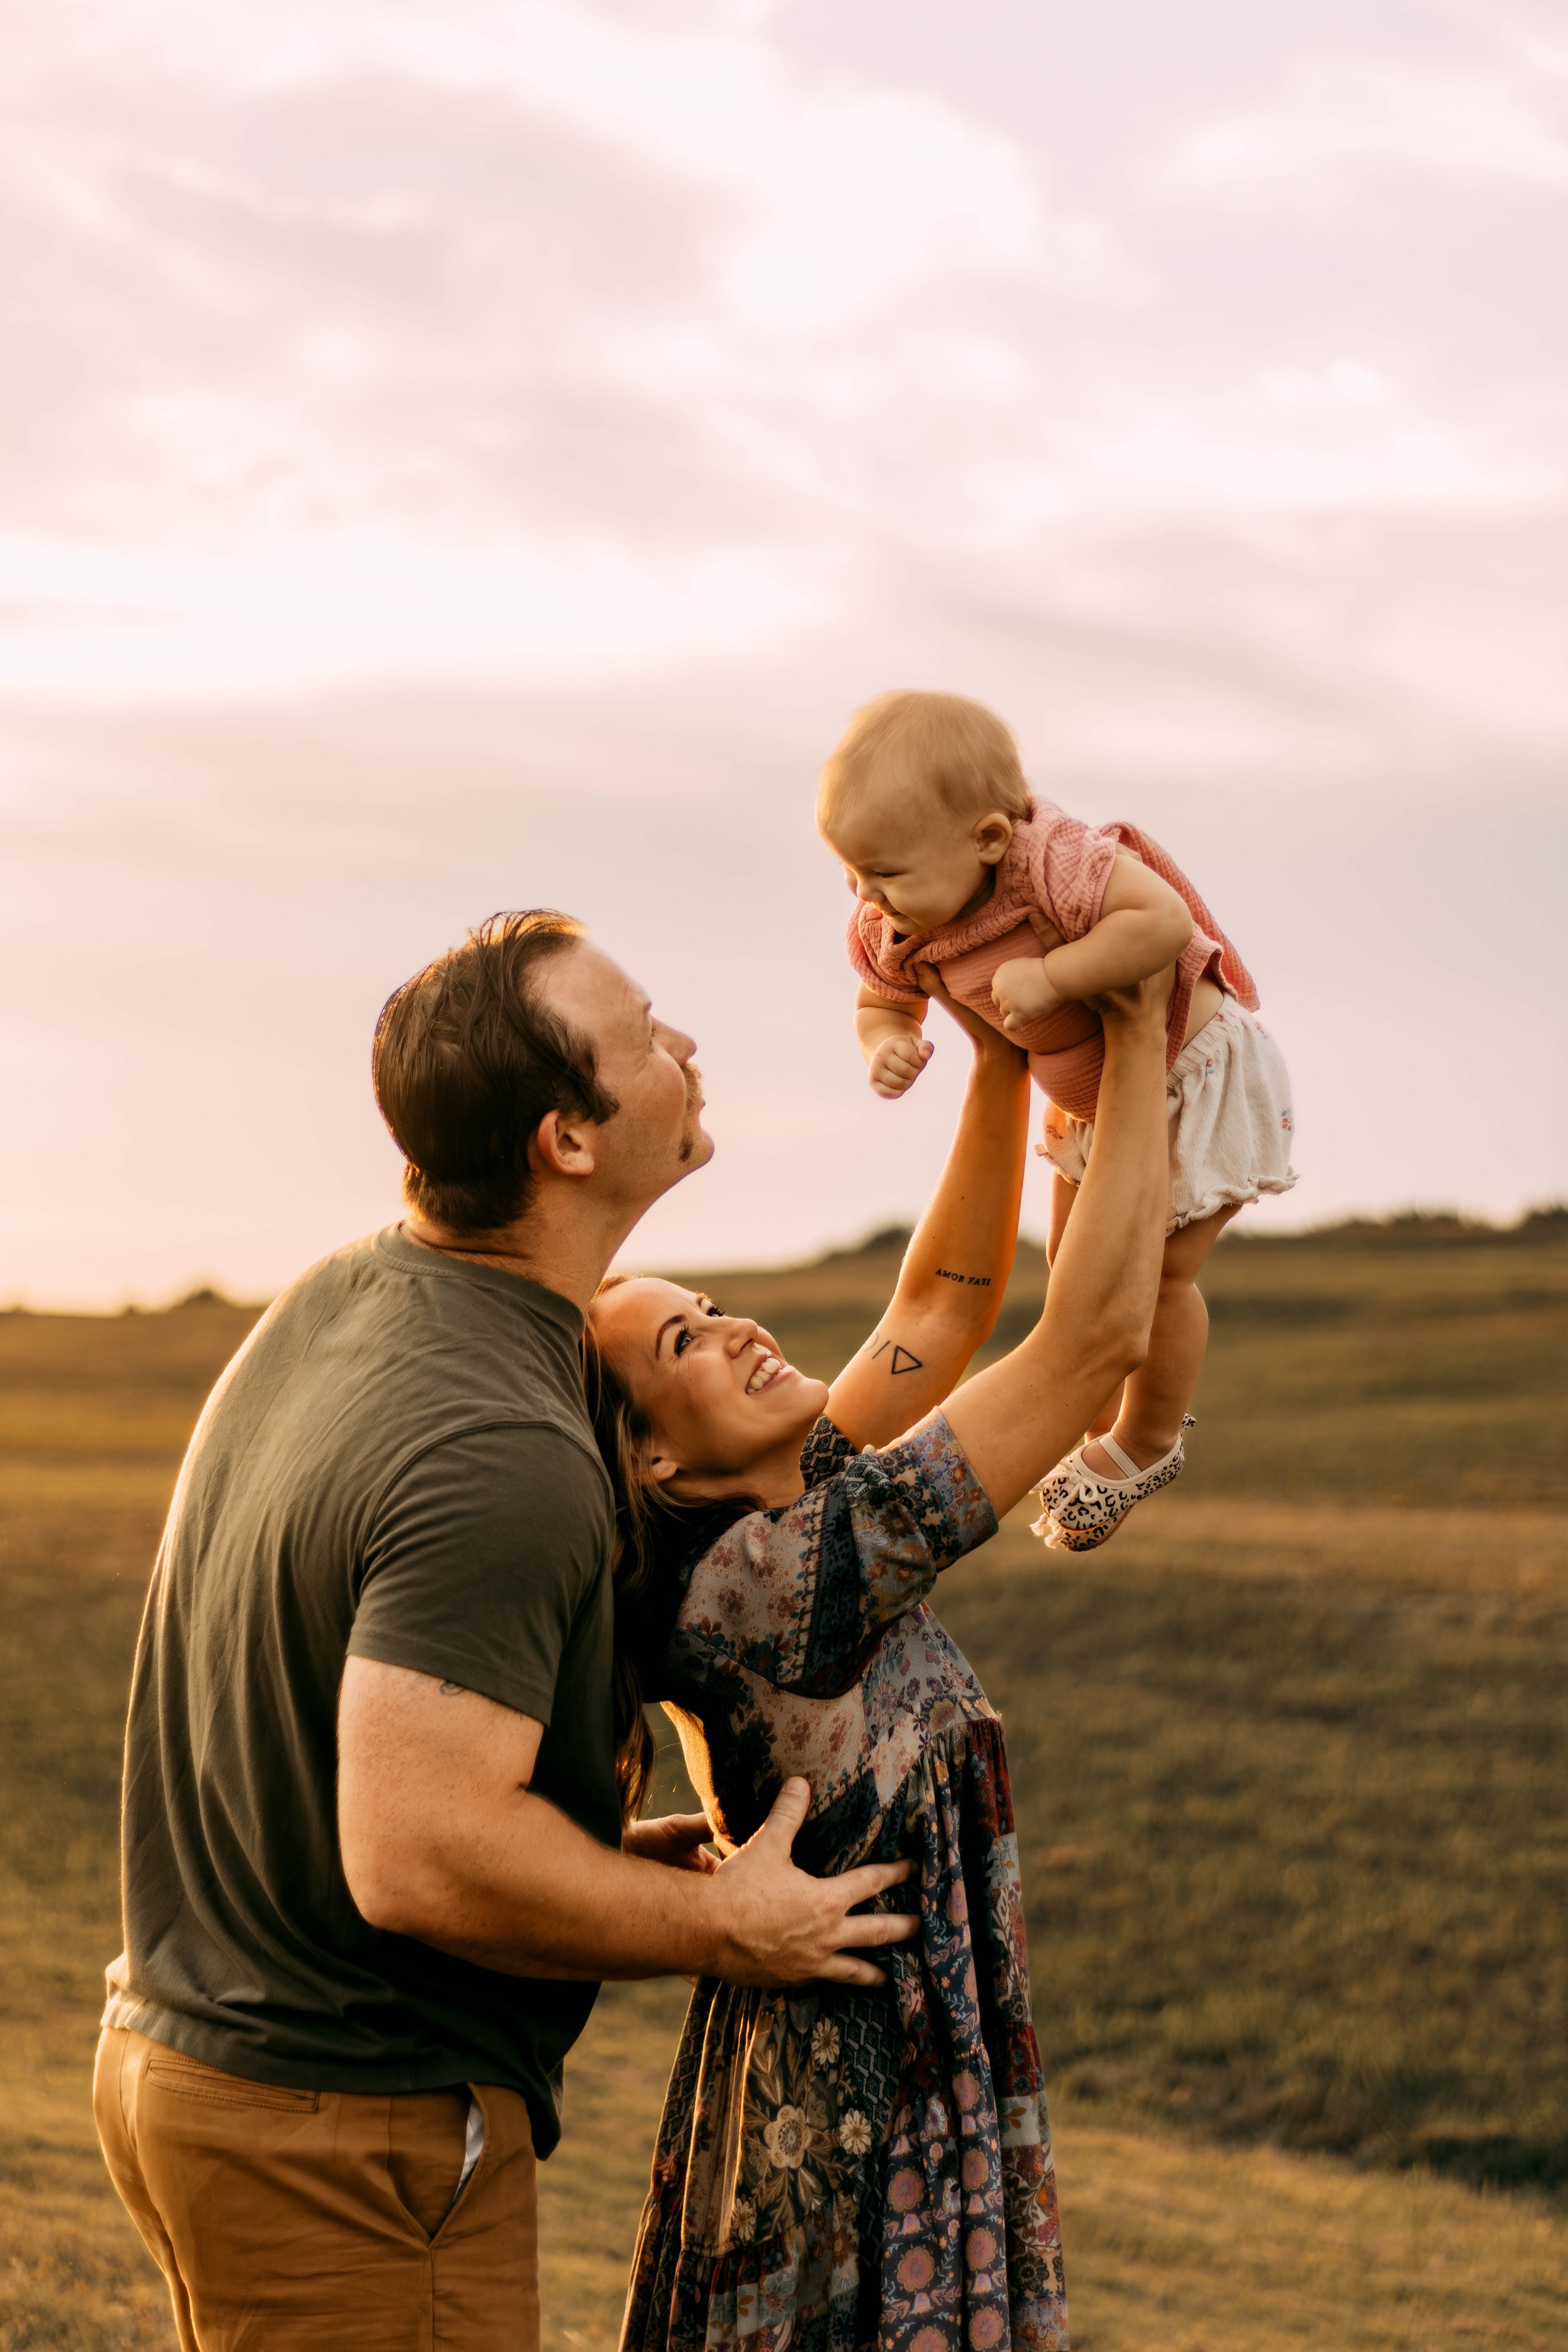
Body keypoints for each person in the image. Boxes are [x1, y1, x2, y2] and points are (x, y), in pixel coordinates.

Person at [93, 910, 919, 2352]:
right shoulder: (502, 1447)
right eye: (645, 1034)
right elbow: (415, 1852)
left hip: (203, 2070)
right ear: (570, 1141)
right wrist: (720, 1925)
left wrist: (583, 1865)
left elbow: (372, 1752)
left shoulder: (351, 1298)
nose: (686, 1048)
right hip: (345, 2133)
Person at [587, 965, 1173, 2352]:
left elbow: (939, 1308)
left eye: (712, 1303)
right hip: (851, 2110)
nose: (736, 1327)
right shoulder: (773, 1581)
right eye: (685, 1339)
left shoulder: (787, 1520)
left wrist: (994, 1063)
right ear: (653, 1456)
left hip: (898, 2063)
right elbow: (1089, 1344)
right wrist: (1138, 1036)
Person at [818, 687, 1296, 1554]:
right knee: (1077, 1267)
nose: (866, 895)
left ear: (989, 840)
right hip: (1098, 1103)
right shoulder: (897, 917)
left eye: (886, 874)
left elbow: (1162, 922)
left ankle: (1146, 1439)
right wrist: (883, 1039)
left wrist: (1059, 975)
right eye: (852, 872)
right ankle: (1103, 1415)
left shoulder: (1056, 865)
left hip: (1186, 1075)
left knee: (1154, 1272)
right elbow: (878, 998)